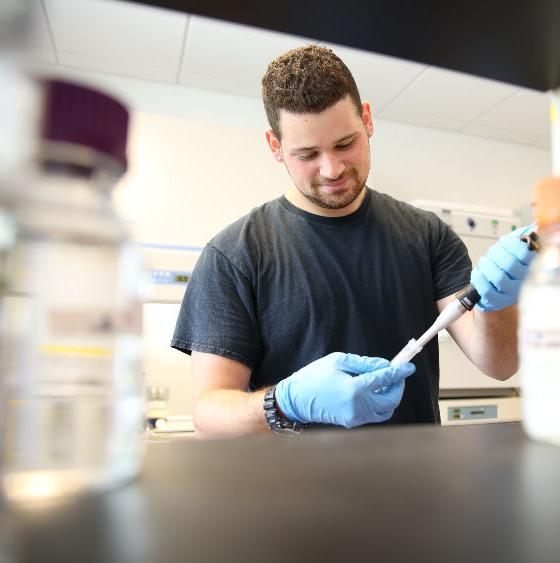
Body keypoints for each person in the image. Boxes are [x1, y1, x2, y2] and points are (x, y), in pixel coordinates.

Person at [171, 45, 536, 436]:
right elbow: (209, 414)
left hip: (418, 487)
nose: (332, 169)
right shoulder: (234, 255)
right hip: (293, 494)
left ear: (367, 120)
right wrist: (283, 402)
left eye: (345, 144)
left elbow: (499, 366)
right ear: (275, 146)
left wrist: (499, 304)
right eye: (308, 154)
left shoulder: (428, 236)